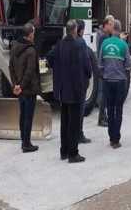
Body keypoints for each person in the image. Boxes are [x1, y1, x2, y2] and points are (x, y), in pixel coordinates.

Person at [47, 20, 92, 163]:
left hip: (63, 90)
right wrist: (87, 75)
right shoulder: (80, 44)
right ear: (75, 30)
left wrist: (58, 71)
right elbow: (87, 65)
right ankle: (73, 153)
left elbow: (49, 58)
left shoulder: (60, 45)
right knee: (74, 123)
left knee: (65, 122)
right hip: (76, 90)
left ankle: (64, 151)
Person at [9, 22, 41, 153]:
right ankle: (26, 144)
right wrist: (21, 86)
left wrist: (15, 85)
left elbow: (10, 67)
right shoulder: (31, 51)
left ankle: (23, 139)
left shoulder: (15, 47)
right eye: (33, 32)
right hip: (28, 89)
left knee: (22, 116)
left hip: (20, 89)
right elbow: (29, 72)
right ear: (30, 35)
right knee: (28, 117)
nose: (34, 34)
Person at [100, 20, 131, 148]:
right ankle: (116, 139)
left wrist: (105, 74)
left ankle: (110, 136)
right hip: (120, 82)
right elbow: (128, 66)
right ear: (120, 30)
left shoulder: (104, 43)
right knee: (118, 110)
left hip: (107, 81)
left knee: (110, 108)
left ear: (112, 29)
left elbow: (100, 64)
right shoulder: (123, 45)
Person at [76, 19, 100, 144]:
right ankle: (79, 135)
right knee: (79, 111)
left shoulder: (63, 43)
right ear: (81, 31)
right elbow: (88, 68)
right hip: (79, 85)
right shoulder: (82, 45)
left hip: (68, 86)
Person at [96, 16, 114, 127]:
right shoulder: (103, 37)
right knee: (103, 94)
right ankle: (101, 118)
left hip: (105, 68)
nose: (113, 27)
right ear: (106, 24)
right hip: (104, 69)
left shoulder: (106, 35)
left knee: (105, 94)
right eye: (111, 24)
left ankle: (104, 116)